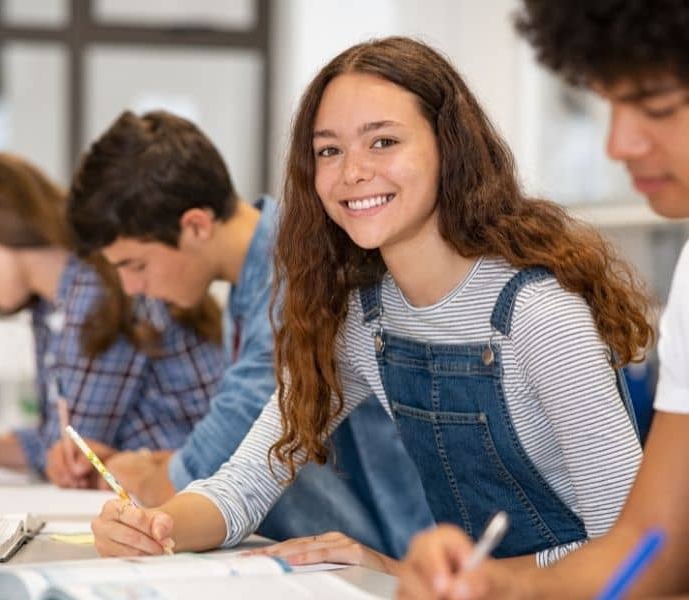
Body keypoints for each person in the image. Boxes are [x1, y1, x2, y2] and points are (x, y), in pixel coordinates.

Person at [88, 36, 652, 572]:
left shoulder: (539, 315)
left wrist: (408, 574)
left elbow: (631, 549)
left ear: (449, 147)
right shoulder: (363, 319)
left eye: (383, 141)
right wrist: (155, 526)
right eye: (329, 150)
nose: (352, 172)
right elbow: (245, 482)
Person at [395, 1, 689, 597]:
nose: (619, 144)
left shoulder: (536, 310)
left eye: (657, 106)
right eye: (610, 104)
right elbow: (653, 549)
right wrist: (492, 584)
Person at [63, 109, 431, 560]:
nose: (132, 289)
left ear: (196, 225)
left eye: (135, 265)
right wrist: (148, 472)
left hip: (385, 553)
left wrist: (144, 472)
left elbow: (210, 460)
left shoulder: (296, 279)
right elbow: (245, 463)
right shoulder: (248, 286)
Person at [0, 152, 224, 479]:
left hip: (202, 492)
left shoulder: (100, 289)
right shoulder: (54, 305)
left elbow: (70, 453)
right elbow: (57, 442)